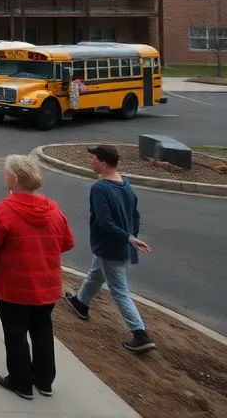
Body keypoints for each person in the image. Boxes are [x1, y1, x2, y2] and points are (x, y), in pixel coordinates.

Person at [0, 154, 75, 401]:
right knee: (42, 330)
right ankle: (44, 380)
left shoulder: (4, 211)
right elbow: (67, 242)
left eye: (5, 172)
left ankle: (20, 381)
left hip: (14, 286)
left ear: (13, 178)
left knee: (15, 333)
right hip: (46, 286)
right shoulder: (54, 209)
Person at [64, 145, 155, 353]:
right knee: (96, 273)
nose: (91, 161)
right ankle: (80, 303)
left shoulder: (100, 188)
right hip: (119, 245)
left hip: (110, 246)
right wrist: (132, 237)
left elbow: (105, 222)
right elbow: (135, 216)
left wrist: (129, 238)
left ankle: (140, 334)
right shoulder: (126, 184)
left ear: (103, 163)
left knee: (119, 290)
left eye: (94, 158)